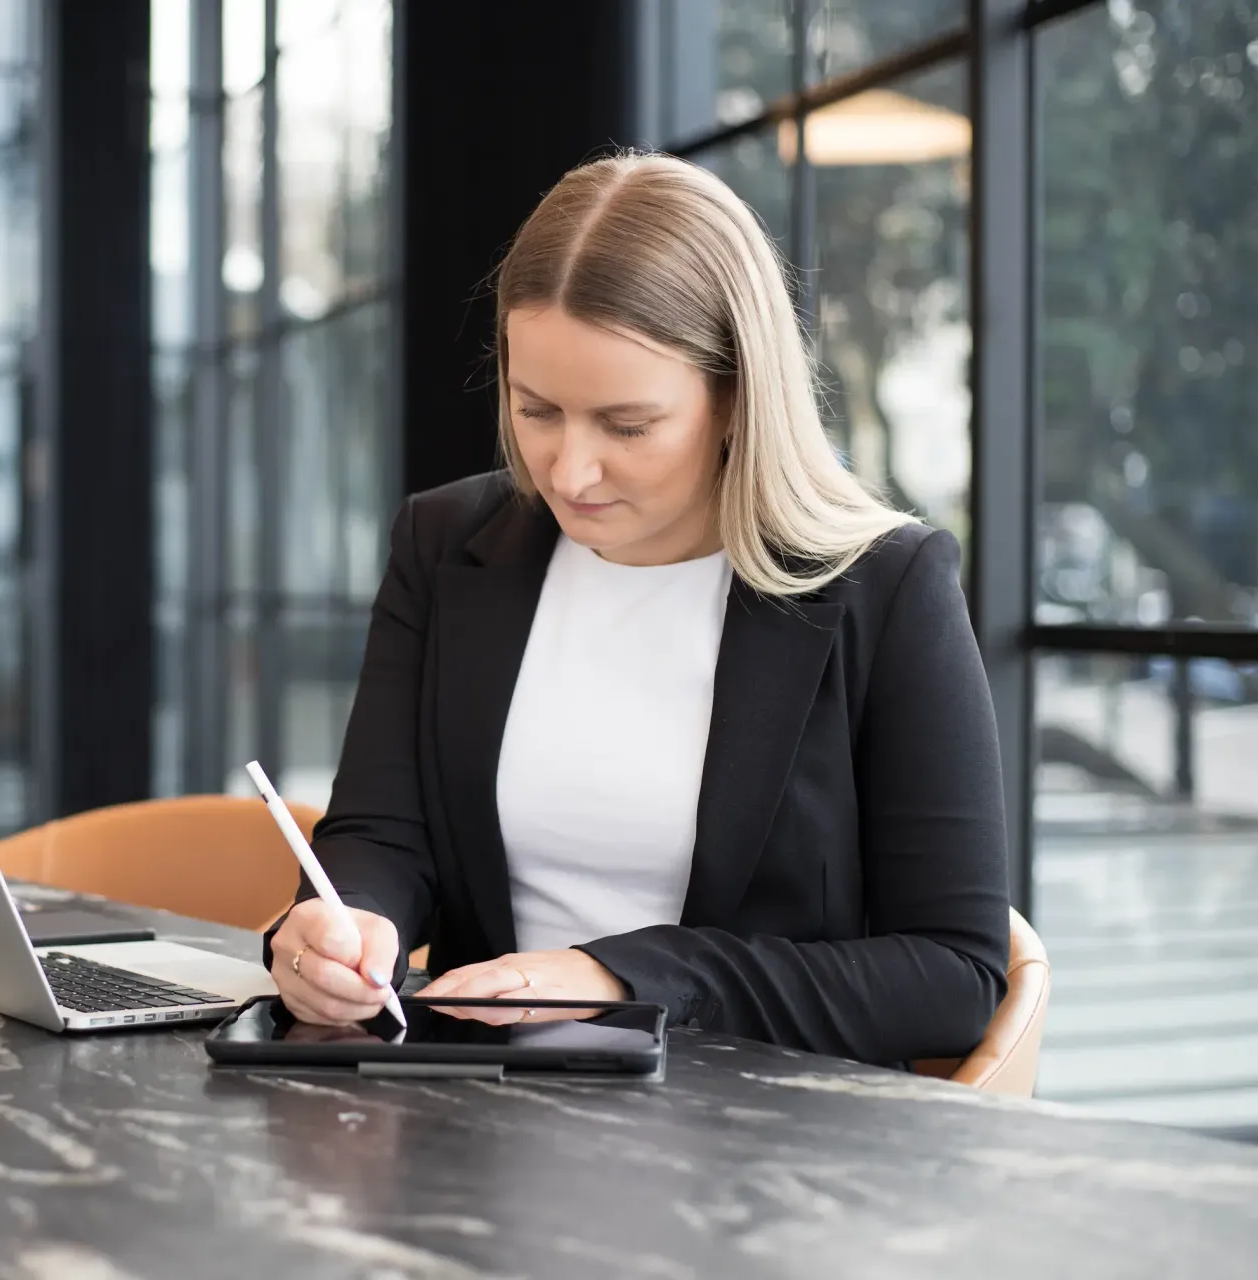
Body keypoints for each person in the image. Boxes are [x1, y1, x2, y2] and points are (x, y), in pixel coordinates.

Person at [264, 152, 1008, 1066]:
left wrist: (625, 977)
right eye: (536, 410)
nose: (569, 474)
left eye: (626, 426)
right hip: (475, 1128)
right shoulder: (446, 542)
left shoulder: (887, 587)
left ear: (737, 395)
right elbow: (384, 829)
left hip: (764, 1156)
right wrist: (343, 922)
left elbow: (952, 977)